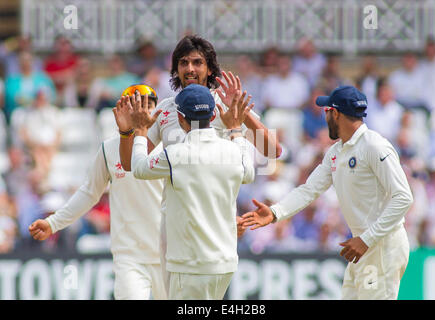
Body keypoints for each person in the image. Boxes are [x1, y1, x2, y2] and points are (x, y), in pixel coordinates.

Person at [115, 34, 282, 294]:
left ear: (210, 68)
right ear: (175, 69)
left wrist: (241, 112)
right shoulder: (168, 109)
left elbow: (273, 150)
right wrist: (128, 133)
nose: (190, 69)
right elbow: (130, 164)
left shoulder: (223, 104)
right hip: (176, 225)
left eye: (197, 62)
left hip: (218, 223)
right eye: (183, 63)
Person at [241, 85, 414, 300]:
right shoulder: (336, 152)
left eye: (327, 112)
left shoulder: (375, 146)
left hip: (382, 246)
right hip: (362, 246)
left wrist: (367, 239)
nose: (325, 117)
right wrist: (275, 212)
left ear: (336, 113)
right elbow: (309, 190)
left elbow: (404, 197)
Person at [28, 85, 167, 300]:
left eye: (147, 105)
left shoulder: (167, 146)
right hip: (129, 256)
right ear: (123, 108)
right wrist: (53, 223)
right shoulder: (110, 149)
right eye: (136, 104)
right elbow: (89, 193)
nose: (142, 111)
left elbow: (190, 192)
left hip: (168, 253)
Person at [127, 84, 254, 299]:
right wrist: (236, 131)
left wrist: (140, 131)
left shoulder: (174, 155)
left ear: (180, 117)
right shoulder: (233, 150)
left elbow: (138, 169)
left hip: (190, 265)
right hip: (225, 263)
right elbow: (248, 174)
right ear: (214, 114)